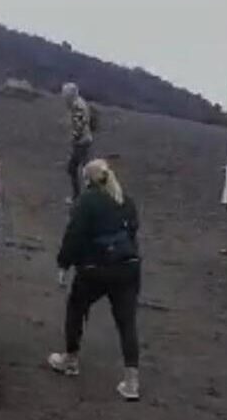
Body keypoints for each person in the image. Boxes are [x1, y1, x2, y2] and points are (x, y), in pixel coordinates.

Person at [49, 159, 141, 401]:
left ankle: (70, 359)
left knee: (77, 307)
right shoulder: (125, 200)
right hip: (128, 267)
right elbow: (133, 231)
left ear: (87, 179)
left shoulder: (86, 201)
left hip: (96, 269)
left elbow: (74, 235)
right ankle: (132, 381)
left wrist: (63, 264)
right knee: (127, 322)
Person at [62, 82, 93, 202]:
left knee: (76, 168)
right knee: (82, 168)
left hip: (82, 142)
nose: (63, 97)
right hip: (84, 140)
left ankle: (79, 196)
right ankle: (82, 196)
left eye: (65, 94)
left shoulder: (77, 106)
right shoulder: (79, 103)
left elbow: (79, 124)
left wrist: (74, 137)